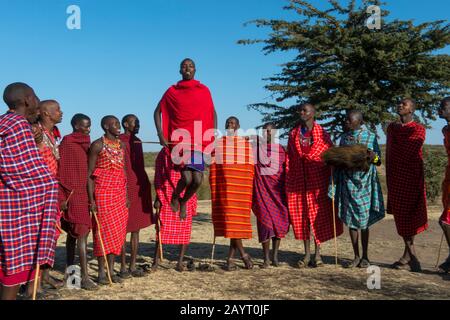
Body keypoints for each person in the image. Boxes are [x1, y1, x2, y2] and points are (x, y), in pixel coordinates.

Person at [0, 83, 58, 300]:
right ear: (27, 99)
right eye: (35, 97)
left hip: (5, 206)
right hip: (17, 212)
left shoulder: (4, 123)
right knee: (12, 276)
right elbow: (30, 174)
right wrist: (49, 186)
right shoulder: (19, 126)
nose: (37, 101)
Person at [154, 58, 216, 218]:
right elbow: (157, 112)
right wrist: (160, 134)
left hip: (198, 141)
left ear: (195, 70)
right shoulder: (172, 91)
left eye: (191, 66)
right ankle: (175, 196)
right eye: (184, 66)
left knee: (197, 179)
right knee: (186, 177)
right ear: (180, 70)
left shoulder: (204, 90)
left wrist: (212, 135)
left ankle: (183, 201)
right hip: (181, 140)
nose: (187, 68)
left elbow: (212, 112)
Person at [286, 103, 343, 268]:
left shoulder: (322, 134)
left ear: (313, 113)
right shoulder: (293, 134)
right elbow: (291, 157)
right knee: (302, 216)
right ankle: (306, 254)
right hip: (299, 179)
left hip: (318, 179)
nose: (302, 113)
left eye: (305, 110)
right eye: (301, 110)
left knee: (318, 216)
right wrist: (292, 174)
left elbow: (328, 154)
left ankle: (318, 255)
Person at [331, 110, 385, 268]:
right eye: (346, 119)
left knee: (364, 221)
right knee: (352, 221)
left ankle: (366, 257)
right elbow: (340, 159)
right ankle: (356, 256)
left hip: (365, 183)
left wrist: (372, 156)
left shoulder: (370, 136)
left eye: (349, 120)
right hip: (348, 182)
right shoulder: (344, 137)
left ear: (360, 122)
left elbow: (378, 161)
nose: (346, 122)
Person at [386, 98, 428, 272]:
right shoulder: (392, 128)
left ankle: (411, 257)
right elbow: (390, 152)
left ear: (412, 109)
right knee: (401, 216)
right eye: (399, 103)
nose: (400, 105)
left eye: (405, 104)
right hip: (395, 177)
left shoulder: (419, 129)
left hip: (411, 178)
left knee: (409, 215)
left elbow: (409, 150)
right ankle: (409, 256)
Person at [88, 116, 129, 284]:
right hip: (103, 193)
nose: (119, 127)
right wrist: (92, 200)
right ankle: (101, 273)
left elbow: (124, 170)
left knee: (117, 233)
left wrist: (126, 195)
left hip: (119, 193)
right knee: (102, 233)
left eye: (119, 124)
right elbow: (90, 175)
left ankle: (111, 270)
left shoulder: (122, 145)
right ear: (106, 126)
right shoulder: (97, 145)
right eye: (115, 124)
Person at [58, 113, 97, 290]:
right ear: (75, 125)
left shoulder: (87, 144)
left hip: (84, 193)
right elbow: (63, 171)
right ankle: (84, 278)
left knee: (74, 235)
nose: (88, 129)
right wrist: (64, 195)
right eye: (84, 126)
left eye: (89, 125)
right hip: (72, 193)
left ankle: (70, 275)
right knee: (80, 233)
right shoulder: (68, 142)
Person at [210, 116, 254, 271]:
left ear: (238, 126)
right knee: (231, 221)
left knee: (235, 223)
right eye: (228, 122)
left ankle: (230, 259)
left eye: (233, 123)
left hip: (240, 189)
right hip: (226, 190)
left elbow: (249, 167)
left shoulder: (244, 144)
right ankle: (242, 255)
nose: (230, 124)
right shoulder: (219, 143)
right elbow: (213, 163)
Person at [34, 100, 64, 289]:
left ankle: (44, 275)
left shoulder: (52, 135)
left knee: (50, 234)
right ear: (46, 113)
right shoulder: (35, 133)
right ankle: (32, 281)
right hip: (37, 193)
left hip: (51, 192)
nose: (61, 113)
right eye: (57, 110)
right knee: (37, 235)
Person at [152, 147, 198, 272]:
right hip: (166, 190)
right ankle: (155, 260)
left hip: (186, 193)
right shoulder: (164, 152)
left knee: (185, 228)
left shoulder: (193, 149)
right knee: (161, 227)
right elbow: (159, 175)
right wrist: (157, 197)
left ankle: (180, 261)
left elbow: (196, 178)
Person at [119, 114, 153, 278]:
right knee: (123, 229)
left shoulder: (137, 141)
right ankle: (123, 267)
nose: (138, 124)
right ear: (126, 124)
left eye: (139, 122)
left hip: (139, 185)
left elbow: (139, 165)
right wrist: (123, 189)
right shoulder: (119, 140)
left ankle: (132, 265)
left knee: (136, 229)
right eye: (135, 122)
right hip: (125, 186)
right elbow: (122, 167)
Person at [252, 123, 289, 268]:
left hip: (278, 192)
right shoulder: (256, 150)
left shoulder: (281, 151)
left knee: (279, 223)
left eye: (269, 131)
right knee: (265, 223)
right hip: (262, 191)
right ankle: (266, 258)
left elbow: (286, 170)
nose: (266, 134)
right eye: (264, 131)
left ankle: (275, 257)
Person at [437, 96, 450, 273]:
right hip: (449, 177)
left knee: (445, 221)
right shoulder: (445, 129)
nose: (439, 108)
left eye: (443, 106)